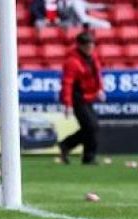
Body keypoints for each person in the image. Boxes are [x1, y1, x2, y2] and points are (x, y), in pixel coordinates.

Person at [58, 32, 104, 165]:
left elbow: (97, 75)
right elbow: (67, 83)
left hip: (88, 96)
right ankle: (89, 157)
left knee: (91, 127)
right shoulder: (72, 62)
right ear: (80, 46)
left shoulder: (92, 58)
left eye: (92, 45)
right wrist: (68, 104)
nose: (90, 48)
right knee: (91, 126)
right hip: (77, 97)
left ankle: (66, 145)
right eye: (87, 46)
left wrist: (99, 89)